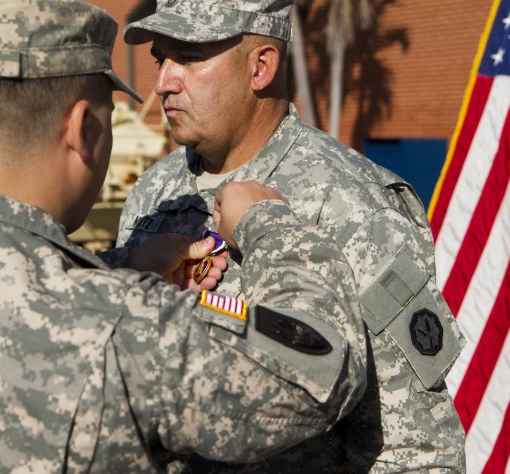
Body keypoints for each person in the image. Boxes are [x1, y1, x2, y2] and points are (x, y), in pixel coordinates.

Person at [0, 0, 368, 472]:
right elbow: (318, 373)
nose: (167, 83)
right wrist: (270, 225)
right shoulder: (118, 330)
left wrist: (118, 266)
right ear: (83, 129)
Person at [104, 0, 468, 472]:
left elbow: (412, 447)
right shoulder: (154, 193)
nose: (164, 82)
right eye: (161, 59)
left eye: (189, 58)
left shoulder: (350, 202)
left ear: (261, 67)